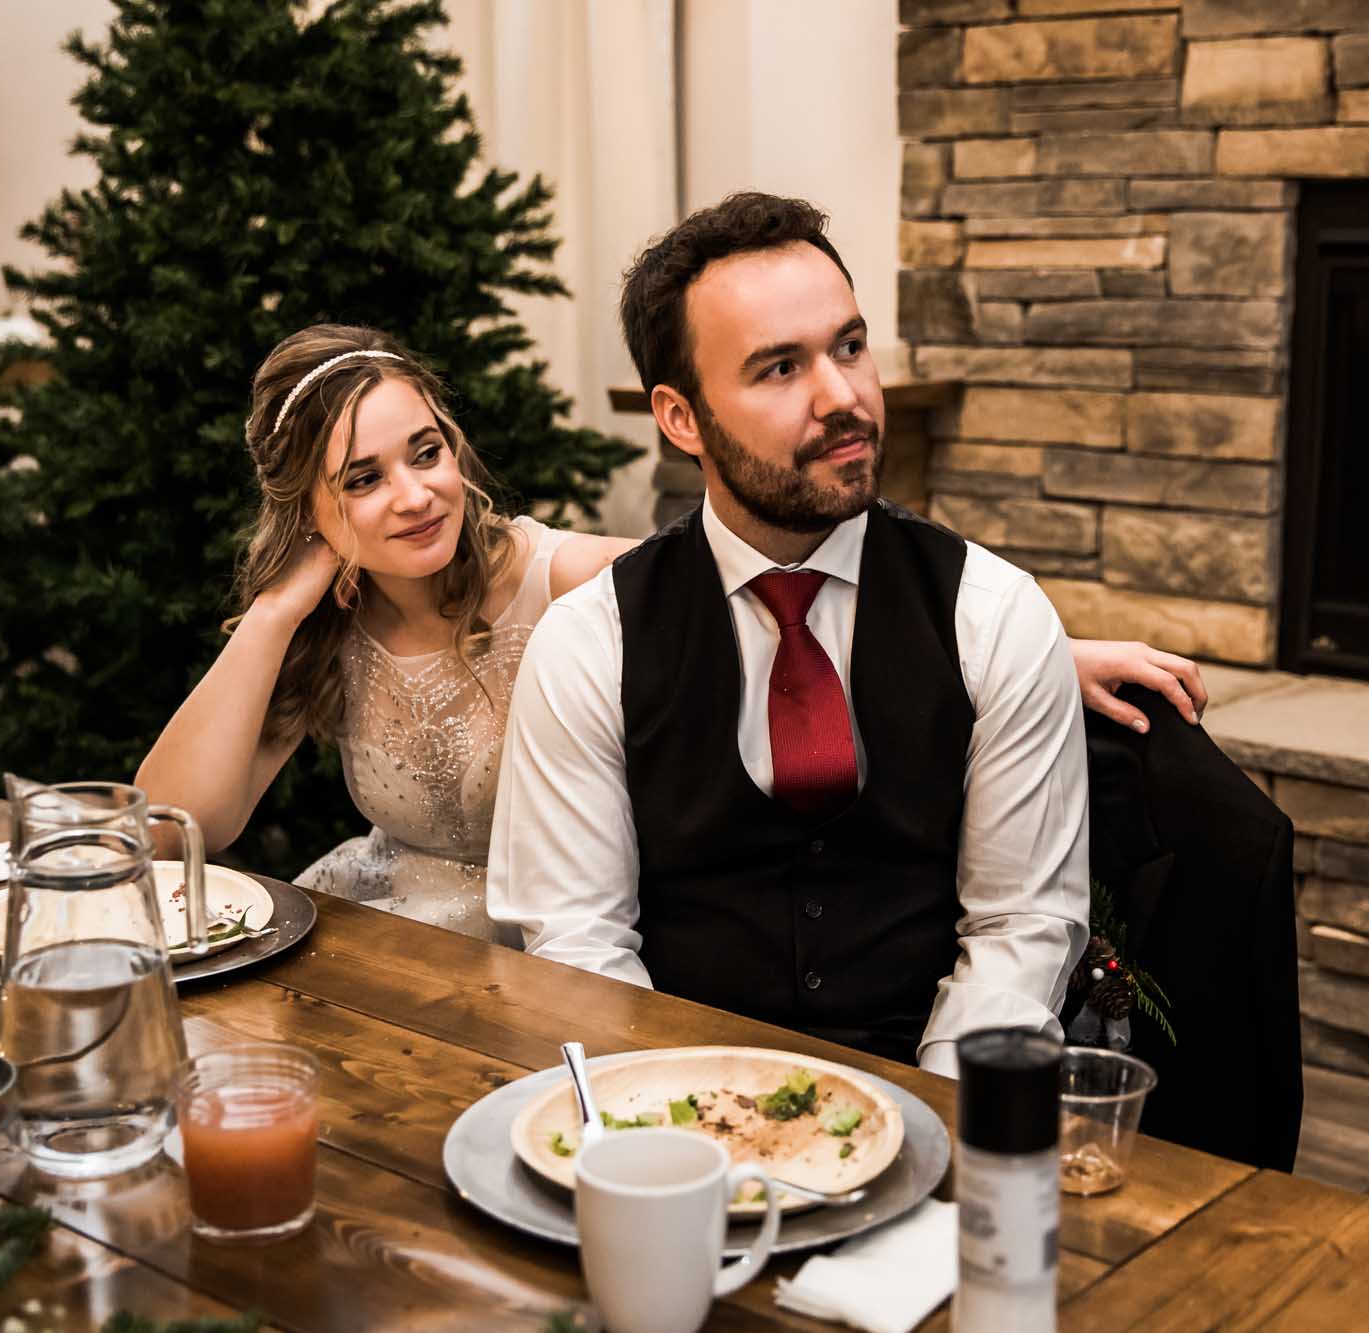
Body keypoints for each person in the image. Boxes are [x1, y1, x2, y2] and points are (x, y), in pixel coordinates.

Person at [139, 320, 1205, 946]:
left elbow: (780, 585)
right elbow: (175, 826)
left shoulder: (552, 576)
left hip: (565, 948)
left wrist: (1029, 650)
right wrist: (279, 608)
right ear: (306, 508)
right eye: (361, 480)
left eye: (425, 451)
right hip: (390, 937)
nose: (416, 495)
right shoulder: (318, 638)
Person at [488, 193, 1140, 1074]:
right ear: (682, 418)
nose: (844, 397)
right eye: (780, 368)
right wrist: (675, 1128)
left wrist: (930, 1120)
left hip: (929, 1092)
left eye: (849, 346)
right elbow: (578, 946)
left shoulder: (996, 614)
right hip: (675, 1105)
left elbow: (1020, 929)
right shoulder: (589, 644)